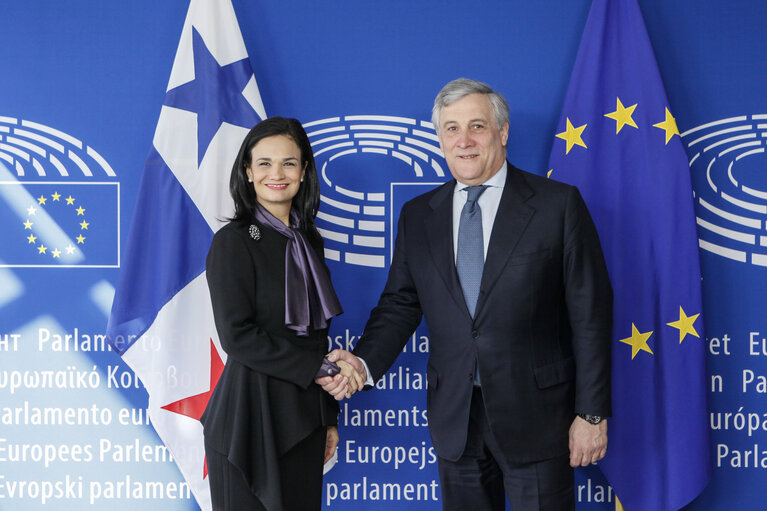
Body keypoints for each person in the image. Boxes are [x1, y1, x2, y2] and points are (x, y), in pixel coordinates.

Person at [318, 79, 613, 510]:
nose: (465, 141)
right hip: (456, 420)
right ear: (439, 139)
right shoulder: (419, 216)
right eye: (451, 129)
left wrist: (591, 415)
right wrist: (362, 362)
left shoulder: (557, 206)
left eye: (477, 125)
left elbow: (591, 315)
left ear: (503, 131)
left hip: (538, 418)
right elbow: (400, 304)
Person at [202, 117, 361, 511]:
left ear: (304, 172)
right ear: (248, 172)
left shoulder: (310, 242)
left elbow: (315, 338)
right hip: (248, 418)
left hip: (302, 418)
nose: (277, 173)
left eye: (289, 163)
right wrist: (318, 372)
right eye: (265, 163)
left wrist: (327, 416)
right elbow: (237, 336)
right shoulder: (233, 242)